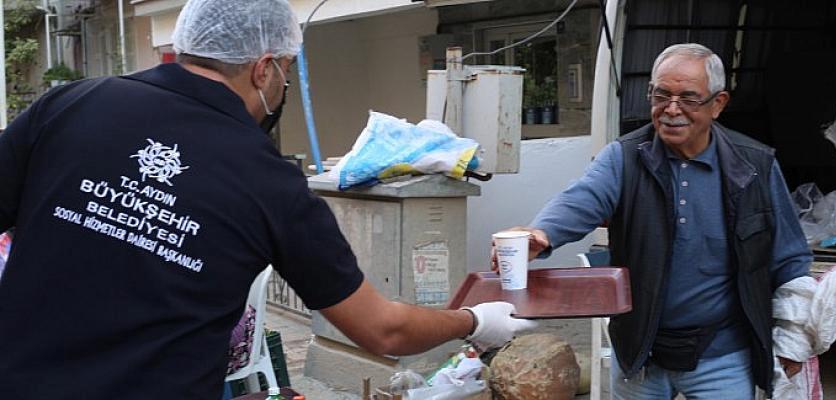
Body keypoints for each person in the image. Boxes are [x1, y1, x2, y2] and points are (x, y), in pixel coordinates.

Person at [0, 1, 535, 398]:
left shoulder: (71, 105)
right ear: (263, 68)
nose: (282, 87)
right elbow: (382, 327)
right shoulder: (269, 181)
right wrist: (475, 321)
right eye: (287, 71)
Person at [493, 43, 811, 399]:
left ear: (718, 104)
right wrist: (541, 233)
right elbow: (581, 198)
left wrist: (792, 339)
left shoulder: (755, 166)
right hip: (642, 354)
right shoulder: (626, 157)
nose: (672, 110)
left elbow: (792, 259)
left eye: (689, 98)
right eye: (662, 95)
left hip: (723, 355)